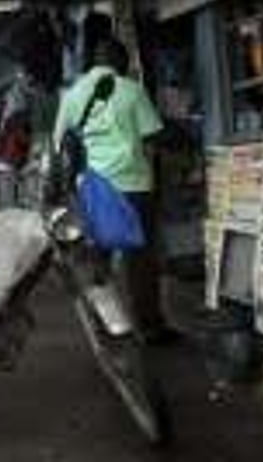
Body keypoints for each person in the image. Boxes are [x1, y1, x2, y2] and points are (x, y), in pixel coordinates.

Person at [51, 37, 178, 344]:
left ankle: (105, 326)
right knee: (140, 261)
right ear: (121, 62)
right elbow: (152, 136)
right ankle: (149, 328)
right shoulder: (131, 90)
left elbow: (59, 143)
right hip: (133, 188)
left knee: (98, 260)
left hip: (92, 189)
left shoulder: (72, 94)